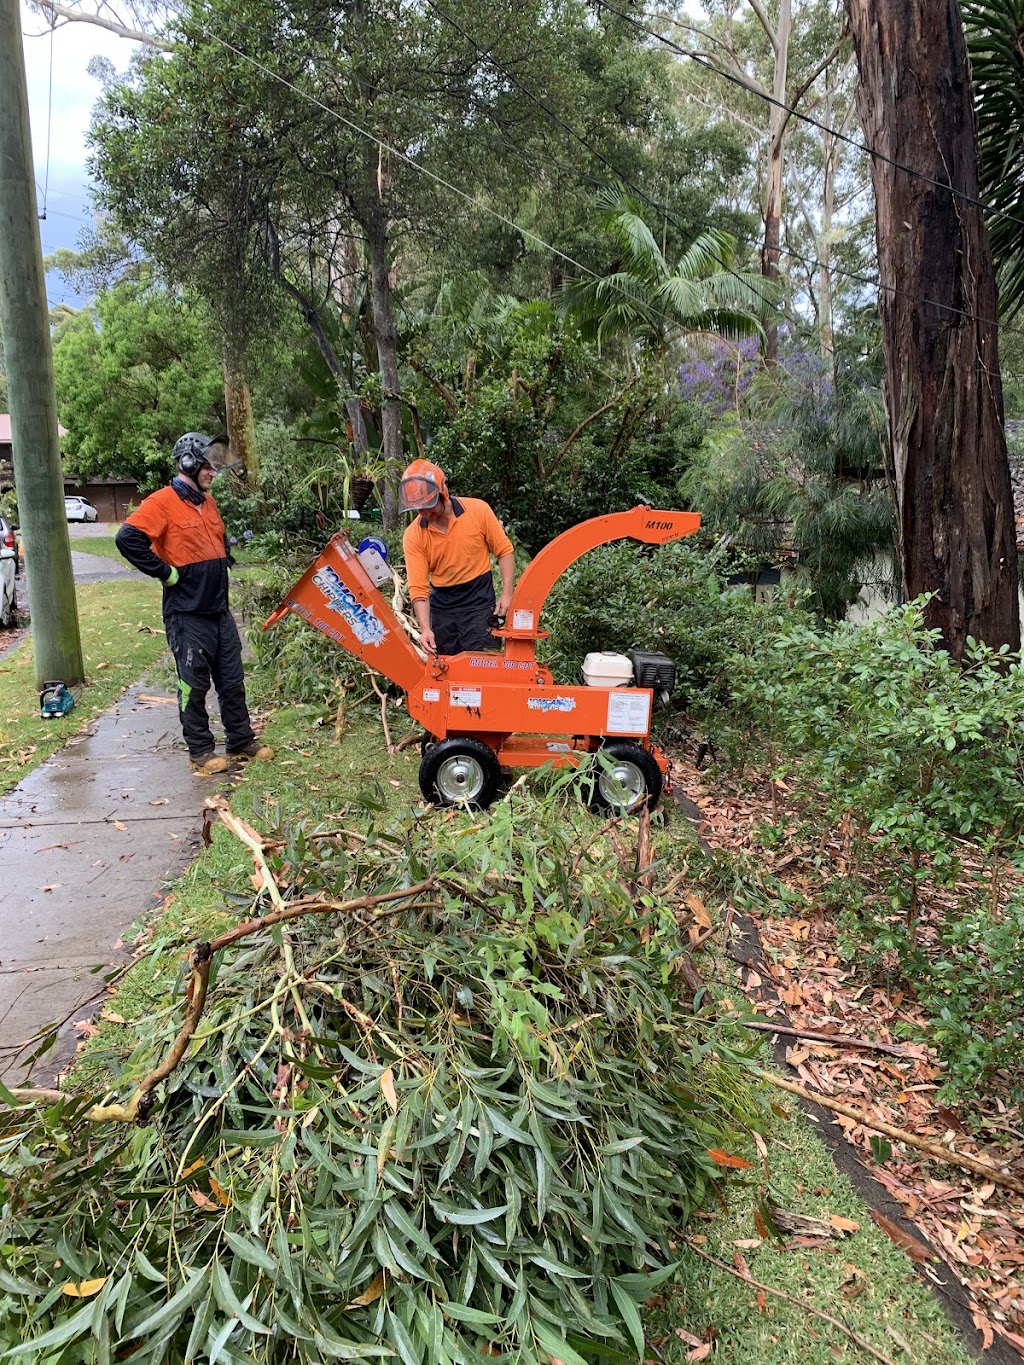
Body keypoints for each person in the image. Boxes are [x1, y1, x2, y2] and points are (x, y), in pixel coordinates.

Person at [115, 432, 273, 776]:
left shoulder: (208, 502)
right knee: (194, 684)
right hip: (187, 614)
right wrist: (166, 574)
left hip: (218, 611)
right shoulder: (161, 502)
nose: (213, 472)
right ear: (188, 462)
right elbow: (127, 539)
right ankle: (200, 751)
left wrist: (223, 559)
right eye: (207, 466)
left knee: (232, 680)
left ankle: (240, 739)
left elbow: (216, 543)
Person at [399, 459, 515, 655]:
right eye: (419, 509)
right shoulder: (413, 535)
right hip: (443, 606)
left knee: (483, 663)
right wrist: (426, 629)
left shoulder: (478, 510)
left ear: (443, 493)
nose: (426, 513)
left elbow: (504, 551)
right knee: (447, 670)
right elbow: (418, 588)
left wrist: (507, 594)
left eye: (429, 505)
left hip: (479, 600)